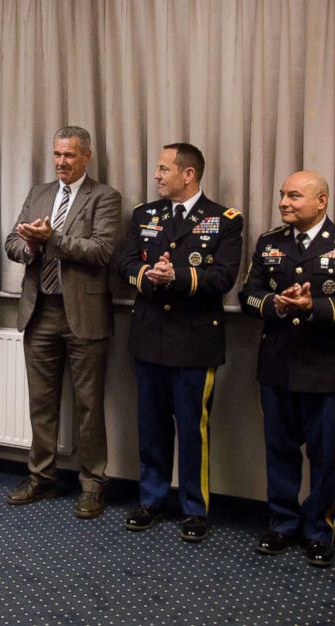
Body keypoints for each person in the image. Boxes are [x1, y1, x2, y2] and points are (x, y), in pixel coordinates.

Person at [116, 143, 243, 542]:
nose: (156, 175)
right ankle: (152, 500)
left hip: (194, 340)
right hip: (149, 334)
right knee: (150, 425)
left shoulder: (224, 220)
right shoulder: (144, 215)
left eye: (163, 168)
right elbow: (124, 263)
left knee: (193, 429)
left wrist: (178, 278)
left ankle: (194, 509)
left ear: (188, 174)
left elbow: (223, 278)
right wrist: (147, 274)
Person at [3, 126, 121, 518]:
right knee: (41, 402)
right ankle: (41, 476)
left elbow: (101, 251)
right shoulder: (39, 193)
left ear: (86, 156)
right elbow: (11, 243)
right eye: (56, 155)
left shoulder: (105, 197)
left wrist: (51, 239)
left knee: (88, 405)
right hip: (40, 311)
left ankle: (92, 484)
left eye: (69, 156)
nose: (61, 163)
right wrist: (30, 245)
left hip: (84, 315)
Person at [239, 170, 335, 568]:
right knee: (280, 450)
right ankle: (282, 523)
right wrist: (274, 304)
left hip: (325, 369)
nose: (283, 203)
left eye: (294, 196)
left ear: (321, 201)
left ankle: (318, 528)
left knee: (327, 455)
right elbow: (248, 295)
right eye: (282, 195)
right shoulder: (269, 242)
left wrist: (311, 308)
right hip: (277, 366)